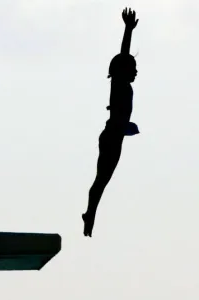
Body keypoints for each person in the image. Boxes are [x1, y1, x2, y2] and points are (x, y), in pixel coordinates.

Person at [82, 8, 139, 237]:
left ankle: (91, 212)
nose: (136, 71)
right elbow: (123, 54)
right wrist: (127, 30)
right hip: (111, 136)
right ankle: (90, 213)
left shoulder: (125, 87)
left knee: (103, 180)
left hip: (115, 136)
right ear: (122, 70)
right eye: (133, 68)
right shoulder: (119, 84)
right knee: (101, 180)